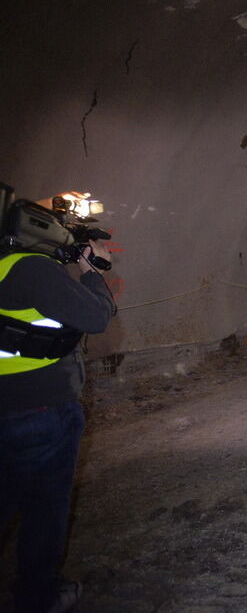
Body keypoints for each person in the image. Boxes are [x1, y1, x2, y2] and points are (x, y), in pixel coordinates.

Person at [0, 239, 115, 612]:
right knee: (44, 509)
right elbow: (96, 316)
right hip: (38, 409)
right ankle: (39, 597)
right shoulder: (29, 267)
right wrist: (91, 270)